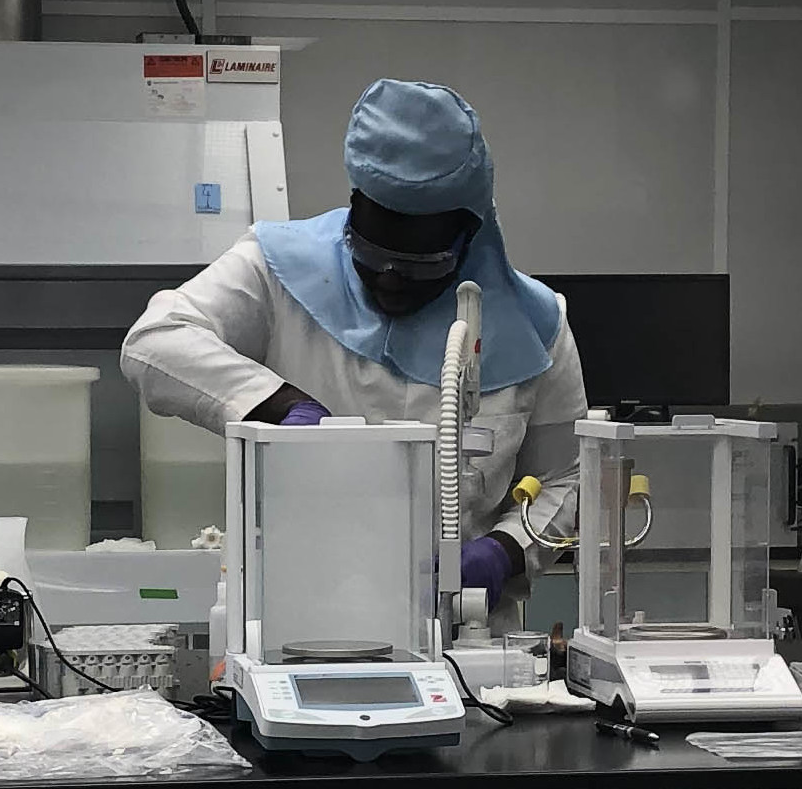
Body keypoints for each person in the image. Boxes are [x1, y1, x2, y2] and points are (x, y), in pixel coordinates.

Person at [123, 77, 585, 570]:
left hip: (465, 629)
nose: (389, 280)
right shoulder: (277, 268)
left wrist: (507, 550)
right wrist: (279, 405)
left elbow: (568, 478)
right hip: (293, 617)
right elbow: (155, 342)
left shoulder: (535, 325)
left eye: (419, 263)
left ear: (470, 233)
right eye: (369, 253)